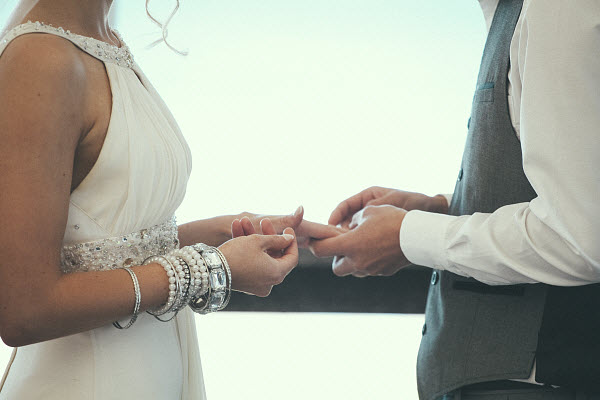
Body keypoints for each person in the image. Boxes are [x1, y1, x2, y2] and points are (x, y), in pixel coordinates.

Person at [0, 0, 338, 398]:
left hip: (148, 367)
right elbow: (23, 309)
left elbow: (102, 244)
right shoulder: (41, 58)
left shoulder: (100, 36)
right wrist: (211, 268)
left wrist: (223, 232)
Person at [310, 0, 600, 399]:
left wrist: (408, 236)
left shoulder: (555, 8)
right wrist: (443, 206)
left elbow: (578, 237)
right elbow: (578, 188)